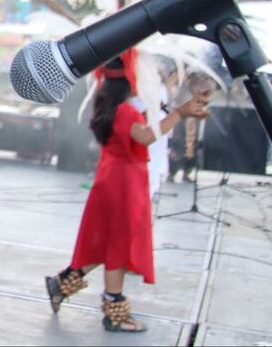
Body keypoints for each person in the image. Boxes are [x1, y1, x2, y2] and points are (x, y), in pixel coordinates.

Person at [44, 51, 210, 333]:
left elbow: (143, 130)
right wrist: (180, 113)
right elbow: (145, 136)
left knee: (109, 242)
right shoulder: (124, 111)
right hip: (123, 184)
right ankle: (114, 311)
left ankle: (63, 283)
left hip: (116, 178)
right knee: (119, 244)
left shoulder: (117, 106)